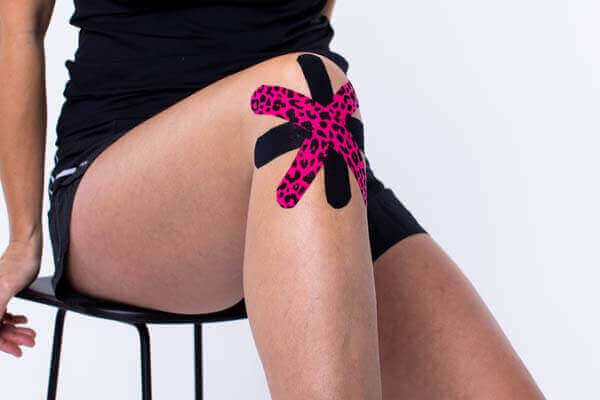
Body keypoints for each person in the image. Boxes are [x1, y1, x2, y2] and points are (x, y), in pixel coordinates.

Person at [0, 0, 545, 398]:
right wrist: (23, 239)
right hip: (122, 176)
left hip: (306, 157)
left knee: (306, 96)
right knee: (301, 92)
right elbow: (18, 23)